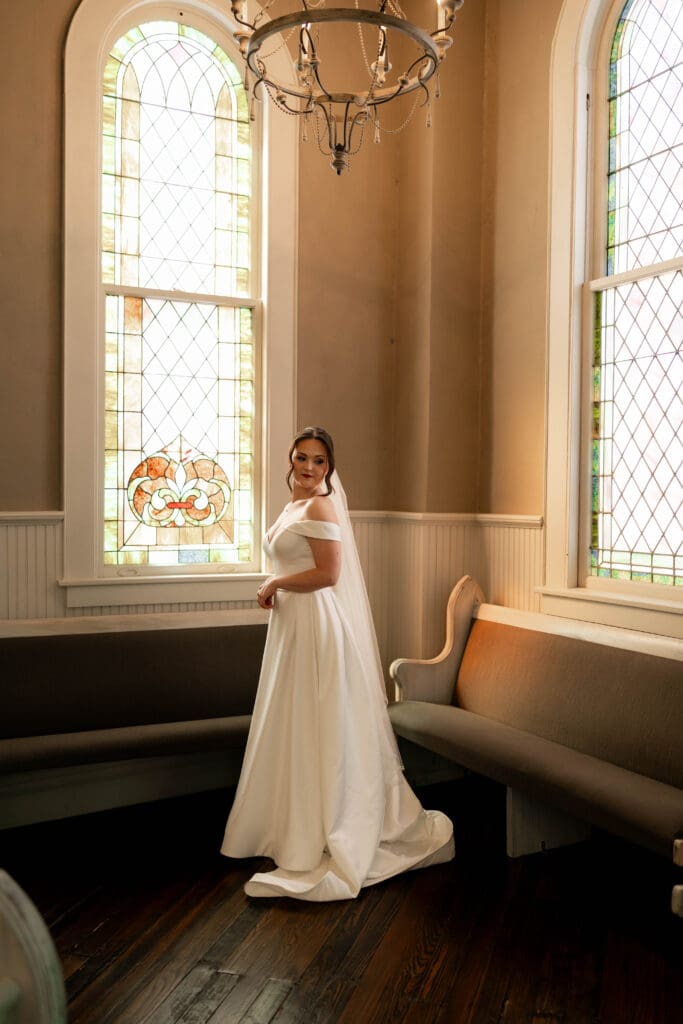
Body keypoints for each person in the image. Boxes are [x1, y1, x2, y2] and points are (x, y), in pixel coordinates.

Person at [221, 426, 454, 900]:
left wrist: (275, 584)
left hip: (315, 628)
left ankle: (326, 828)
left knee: (319, 725)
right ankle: (293, 828)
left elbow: (329, 574)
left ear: (330, 468)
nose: (309, 468)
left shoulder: (321, 505)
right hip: (292, 627)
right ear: (290, 458)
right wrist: (277, 586)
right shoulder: (293, 505)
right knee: (295, 724)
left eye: (319, 461)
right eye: (303, 458)